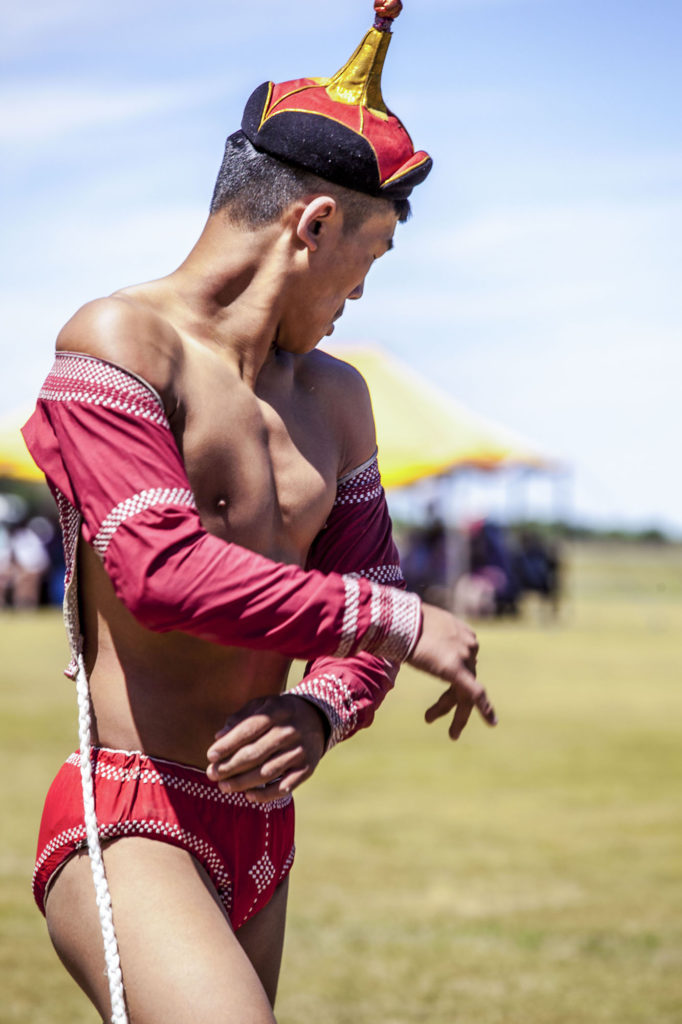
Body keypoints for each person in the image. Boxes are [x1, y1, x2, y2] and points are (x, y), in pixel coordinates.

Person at [22, 3, 496, 1022]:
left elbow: (365, 597)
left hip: (264, 832)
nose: (359, 295)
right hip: (133, 813)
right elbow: (161, 567)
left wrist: (323, 709)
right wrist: (396, 623)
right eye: (367, 258)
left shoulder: (336, 399)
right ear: (312, 225)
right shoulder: (117, 343)